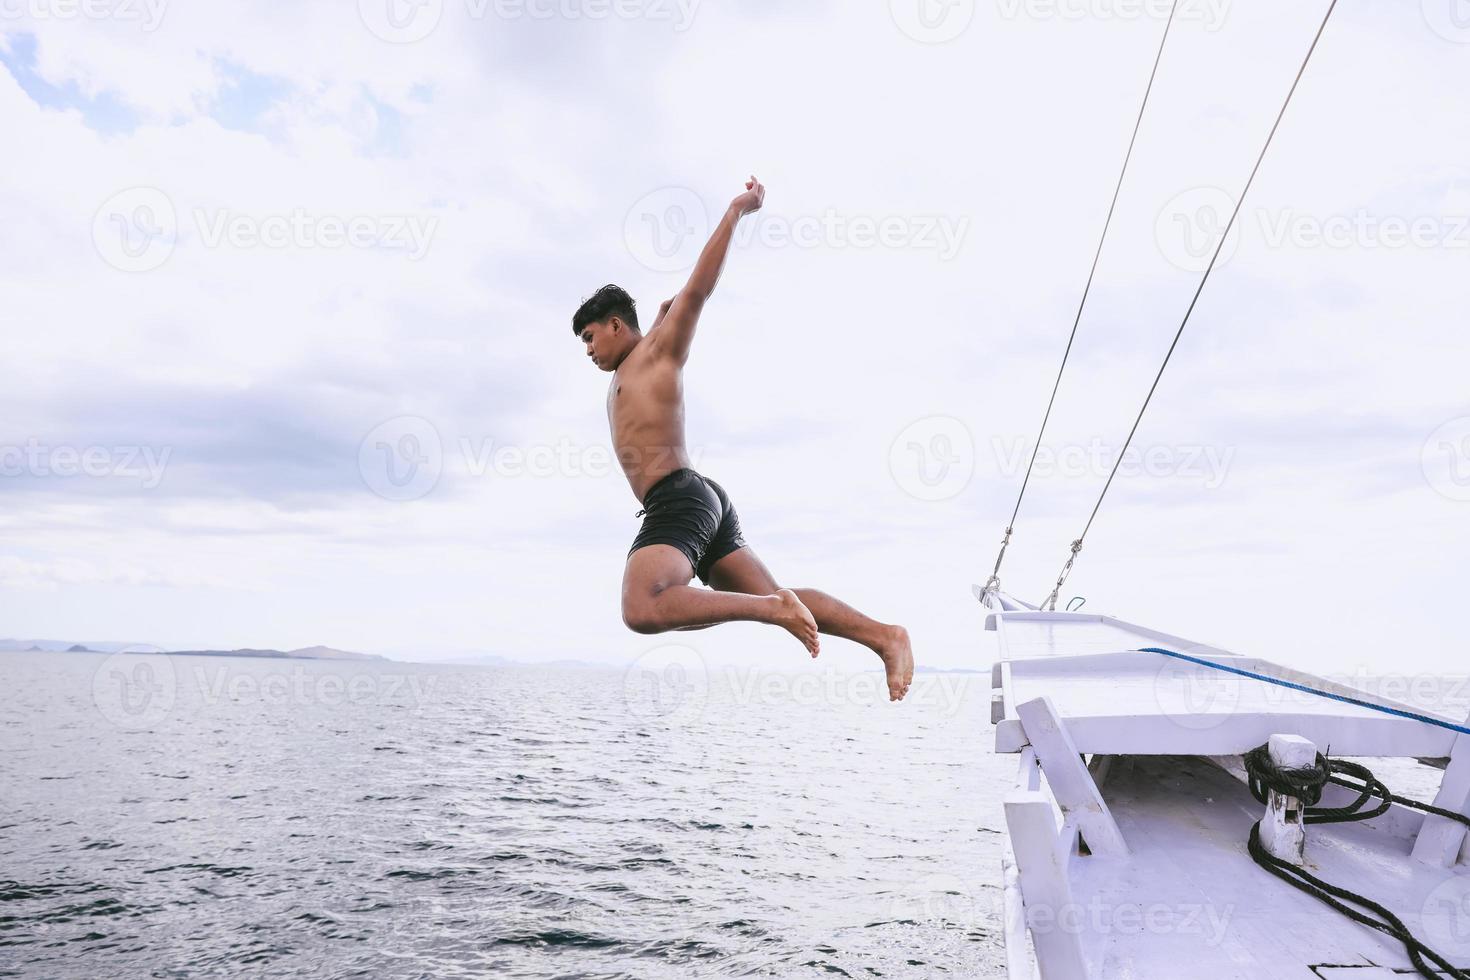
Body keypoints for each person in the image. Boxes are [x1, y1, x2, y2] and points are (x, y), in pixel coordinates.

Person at [572, 177, 914, 702]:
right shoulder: (635, 360)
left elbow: (696, 290)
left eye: (591, 338)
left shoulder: (656, 353)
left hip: (679, 497)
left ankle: (769, 612)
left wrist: (736, 210)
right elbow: (670, 304)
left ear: (616, 324)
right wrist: (664, 309)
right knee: (782, 595)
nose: (589, 351)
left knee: (643, 606)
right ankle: (883, 637)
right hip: (701, 499)